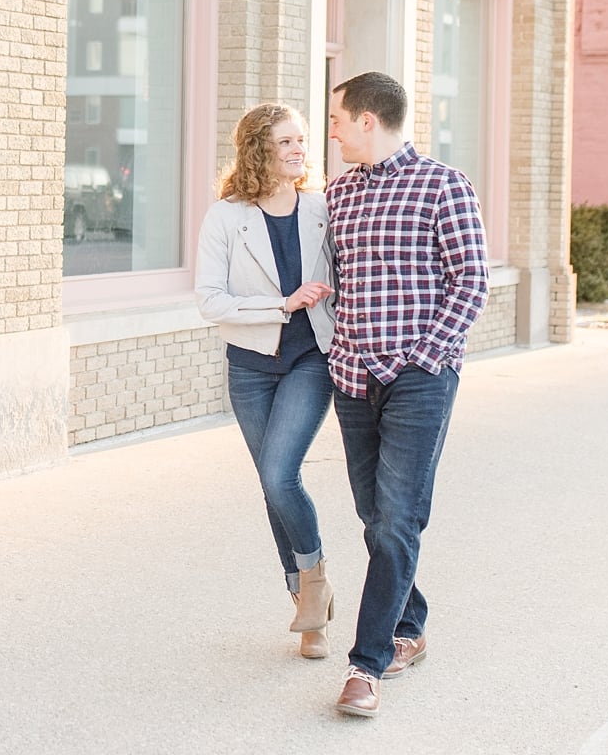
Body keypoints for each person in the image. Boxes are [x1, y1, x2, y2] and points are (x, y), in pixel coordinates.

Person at [324, 71, 487, 717]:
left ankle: (366, 663)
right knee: (376, 517)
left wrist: (424, 358)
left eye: (338, 118)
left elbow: (471, 280)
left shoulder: (444, 185)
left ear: (369, 119)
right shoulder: (336, 196)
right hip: (351, 377)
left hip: (420, 376)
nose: (331, 129)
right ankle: (410, 622)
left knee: (397, 517)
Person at [195, 103, 338, 658]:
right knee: (271, 486)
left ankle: (314, 582)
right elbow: (211, 301)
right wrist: (281, 304)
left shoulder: (322, 209)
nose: (298, 150)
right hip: (252, 367)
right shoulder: (227, 216)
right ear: (258, 148)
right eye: (285, 142)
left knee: (281, 475)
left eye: (301, 140)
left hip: (310, 359)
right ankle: (310, 614)